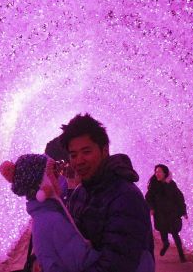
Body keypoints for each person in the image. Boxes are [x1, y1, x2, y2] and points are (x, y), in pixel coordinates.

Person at [60, 114, 155, 272]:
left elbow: (117, 264)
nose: (79, 161)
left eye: (86, 151)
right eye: (73, 155)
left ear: (104, 150)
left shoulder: (125, 196)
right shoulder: (79, 193)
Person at [0, 154, 98, 272]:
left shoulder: (46, 215)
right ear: (42, 185)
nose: (58, 176)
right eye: (52, 173)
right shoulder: (53, 220)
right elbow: (85, 262)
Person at [145, 163, 188, 261]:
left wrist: (183, 211)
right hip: (160, 214)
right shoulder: (154, 185)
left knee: (175, 233)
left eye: (159, 172)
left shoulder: (171, 184)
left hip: (172, 213)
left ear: (165, 173)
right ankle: (165, 244)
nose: (157, 174)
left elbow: (179, 198)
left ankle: (181, 255)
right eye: (156, 172)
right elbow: (148, 198)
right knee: (163, 230)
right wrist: (151, 208)